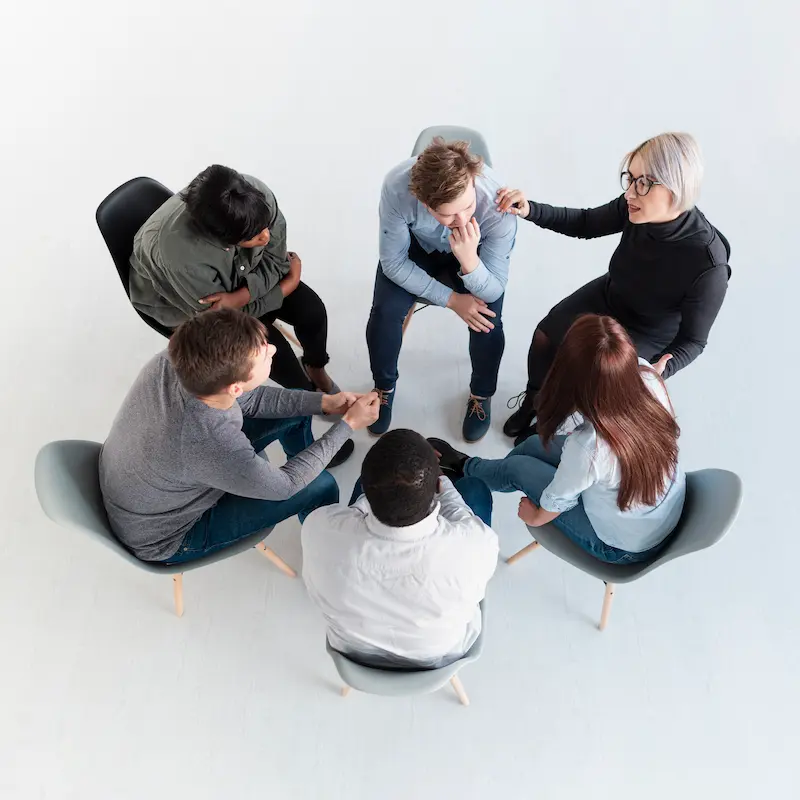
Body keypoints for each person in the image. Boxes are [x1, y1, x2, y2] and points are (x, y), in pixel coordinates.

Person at [498, 132, 731, 444]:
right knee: (546, 335)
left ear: (676, 188)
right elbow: (585, 223)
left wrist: (662, 368)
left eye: (644, 183)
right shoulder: (634, 206)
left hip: (647, 330)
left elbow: (694, 341)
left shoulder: (708, 265)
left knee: (594, 383)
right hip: (611, 295)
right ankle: (534, 401)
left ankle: (552, 424)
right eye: (630, 178)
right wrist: (530, 209)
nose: (631, 192)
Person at [99, 309, 379, 564]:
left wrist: (324, 403)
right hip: (164, 536)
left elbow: (252, 401)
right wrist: (347, 425)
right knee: (321, 486)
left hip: (147, 482)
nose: (272, 349)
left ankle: (308, 462)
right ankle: (328, 546)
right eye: (263, 353)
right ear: (233, 388)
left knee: (297, 412)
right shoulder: (209, 441)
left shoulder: (181, 360)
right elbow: (285, 485)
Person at [430, 315, 686, 565]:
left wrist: (536, 517)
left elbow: (559, 500)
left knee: (519, 468)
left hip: (622, 545)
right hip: (654, 507)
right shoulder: (649, 378)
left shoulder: (590, 447)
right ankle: (475, 470)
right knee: (529, 447)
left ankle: (465, 470)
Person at [129, 164, 340, 395]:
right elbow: (224, 319)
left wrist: (241, 296)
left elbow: (277, 262)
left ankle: (315, 367)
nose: (266, 237)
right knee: (270, 352)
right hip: (183, 303)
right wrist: (286, 287)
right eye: (253, 236)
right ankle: (306, 393)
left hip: (236, 280)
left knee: (313, 311)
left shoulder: (256, 196)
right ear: (225, 240)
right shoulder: (183, 258)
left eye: (266, 225)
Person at [301, 429, 498, 669]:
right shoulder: (476, 545)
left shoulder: (319, 528)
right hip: (440, 656)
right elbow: (463, 519)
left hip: (353, 652)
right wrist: (441, 479)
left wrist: (386, 487)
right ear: (436, 486)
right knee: (474, 489)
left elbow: (356, 510)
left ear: (366, 487)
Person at [366, 138, 517, 442]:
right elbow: (393, 263)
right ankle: (383, 388)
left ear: (473, 182)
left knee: (487, 320)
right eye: (448, 215)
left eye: (467, 207)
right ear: (423, 202)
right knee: (385, 313)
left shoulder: (498, 205)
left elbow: (493, 289)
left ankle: (481, 394)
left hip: (474, 254)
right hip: (417, 250)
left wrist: (469, 260)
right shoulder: (396, 187)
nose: (461, 221)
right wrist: (451, 299)